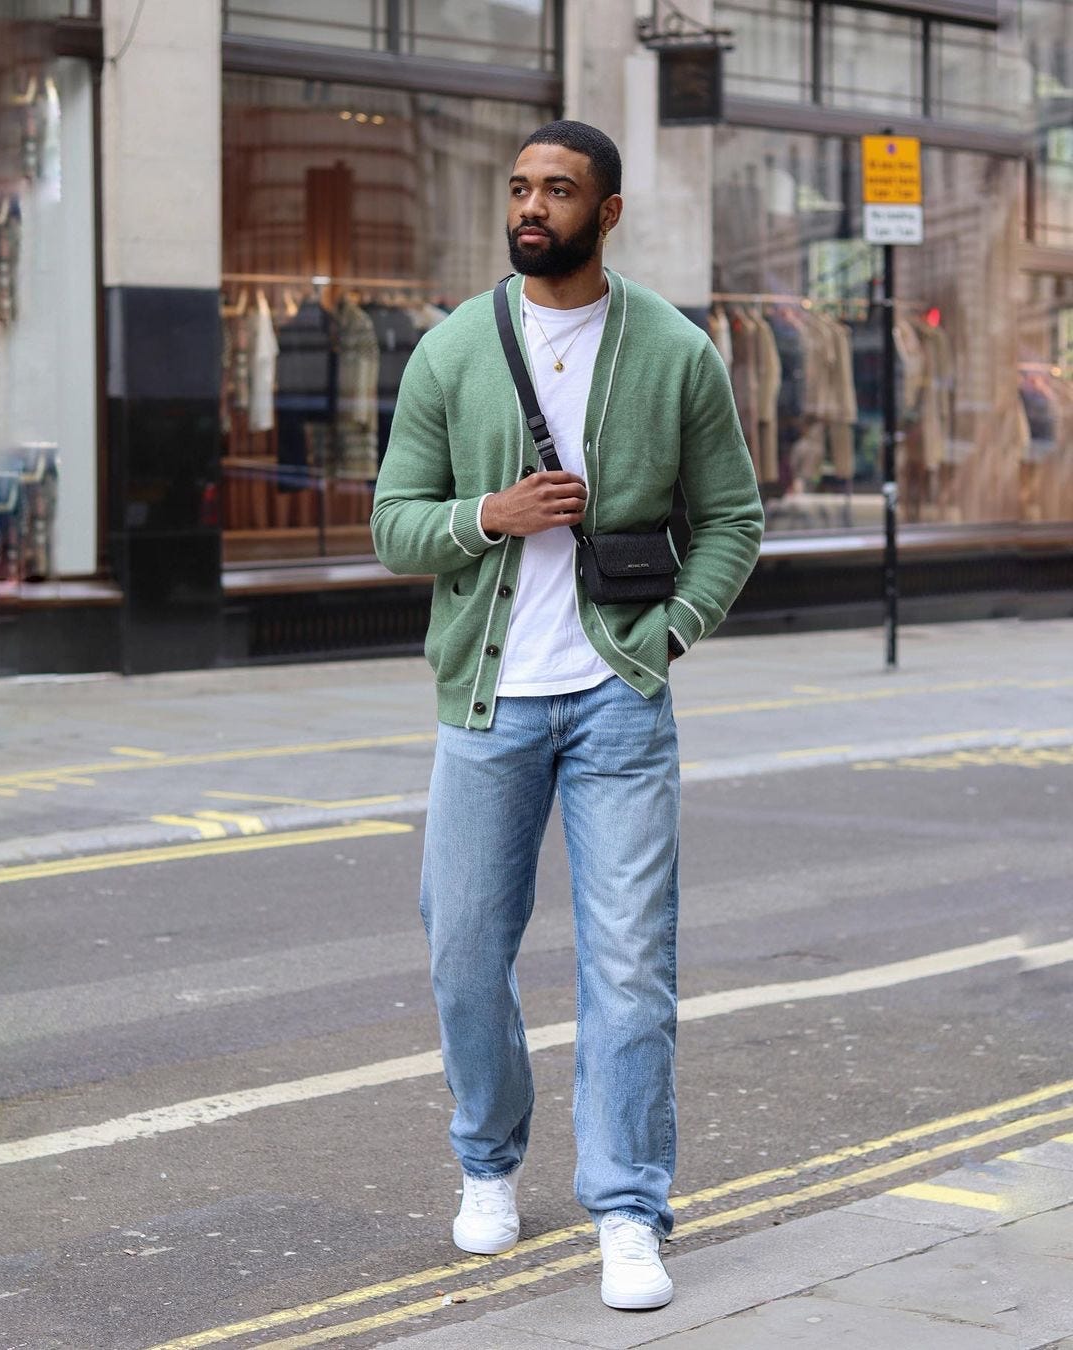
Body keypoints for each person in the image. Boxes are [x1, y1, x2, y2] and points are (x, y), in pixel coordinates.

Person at [371, 120, 762, 1310]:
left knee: (632, 965)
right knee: (462, 954)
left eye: (559, 190)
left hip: (616, 701)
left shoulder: (676, 352)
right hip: (486, 702)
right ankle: (487, 1160)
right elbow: (393, 524)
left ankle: (629, 1209)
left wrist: (672, 633)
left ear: (609, 212)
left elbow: (732, 520)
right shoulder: (451, 350)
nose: (532, 206)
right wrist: (487, 515)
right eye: (521, 188)